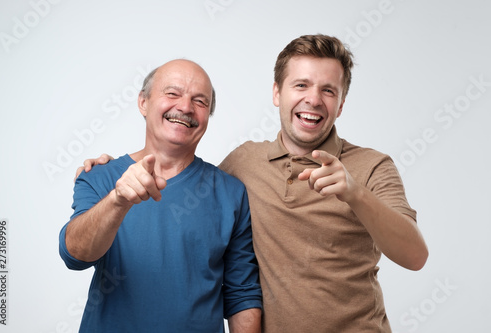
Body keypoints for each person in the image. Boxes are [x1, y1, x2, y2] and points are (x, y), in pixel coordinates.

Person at [79, 34, 429, 332]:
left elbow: (415, 256)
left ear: (340, 105)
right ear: (277, 92)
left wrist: (355, 193)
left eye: (328, 90)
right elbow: (186, 179)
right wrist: (112, 168)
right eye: (301, 85)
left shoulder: (372, 166)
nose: (313, 99)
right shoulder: (243, 163)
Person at [59, 59, 262, 332]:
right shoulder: (99, 176)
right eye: (172, 93)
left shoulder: (231, 193)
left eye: (200, 101)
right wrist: (118, 200)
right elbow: (75, 256)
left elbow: (242, 294)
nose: (186, 107)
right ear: (143, 102)